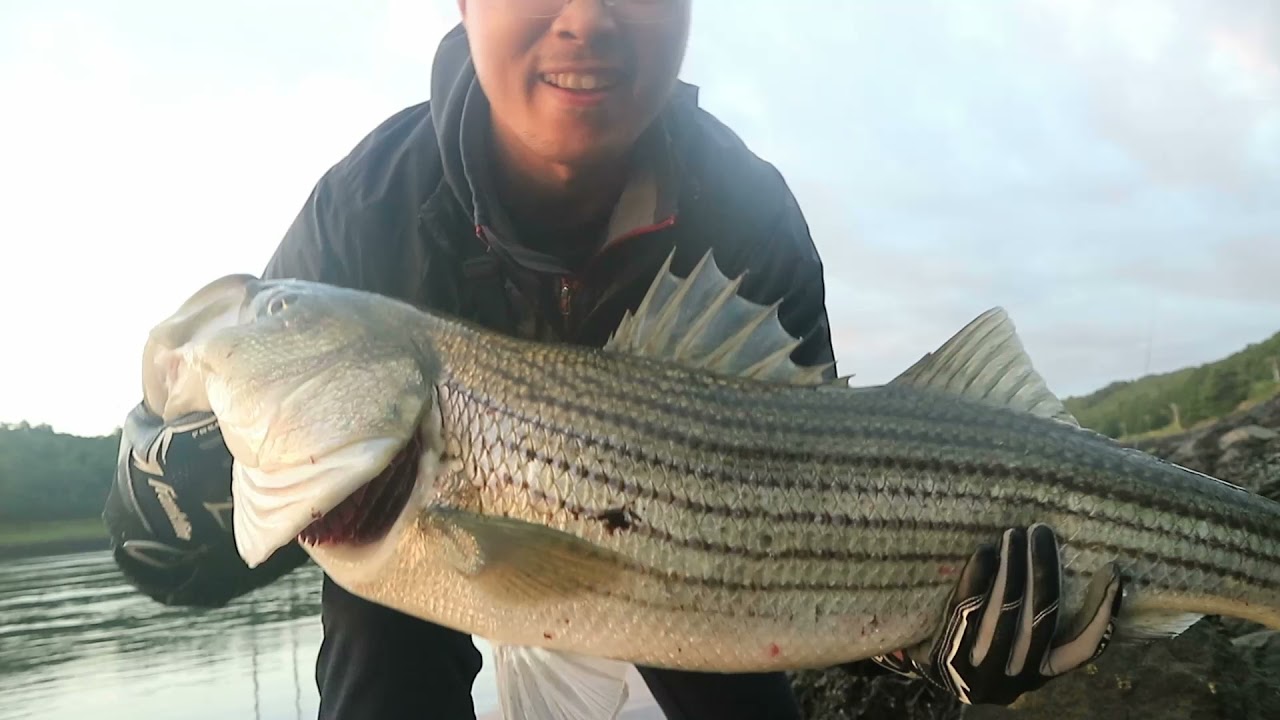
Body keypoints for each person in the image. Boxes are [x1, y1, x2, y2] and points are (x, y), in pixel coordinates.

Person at [103, 1, 1124, 718]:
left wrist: (939, 641)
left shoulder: (748, 214)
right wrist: (174, 473)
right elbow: (171, 565)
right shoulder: (368, 211)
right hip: (425, 535)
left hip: (724, 574)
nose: (586, 16)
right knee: (377, 652)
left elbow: (839, 482)